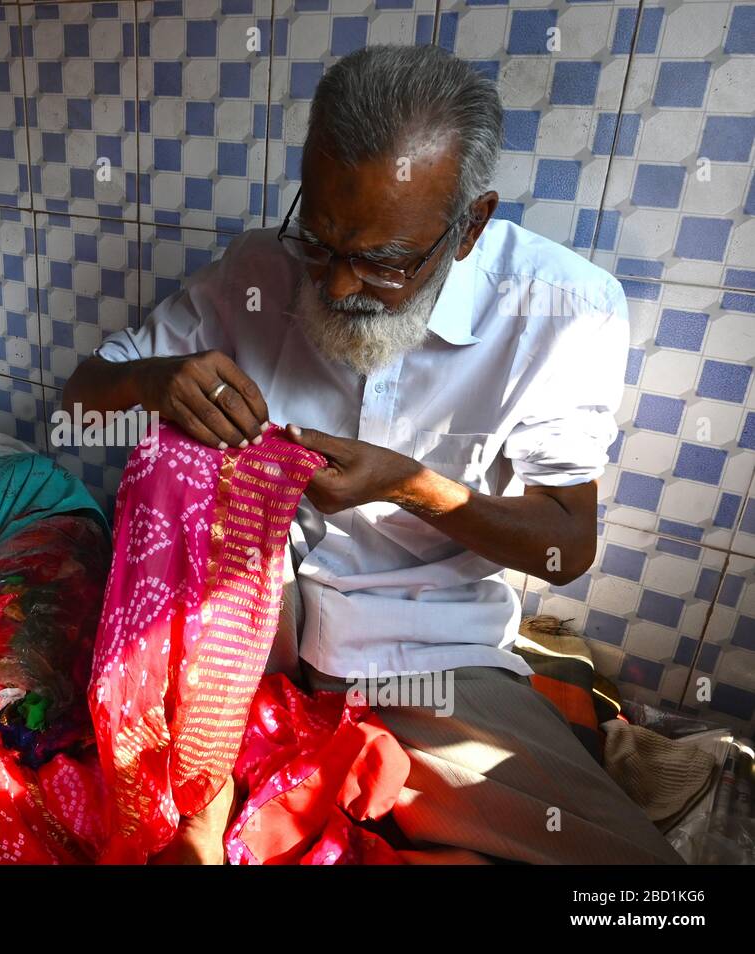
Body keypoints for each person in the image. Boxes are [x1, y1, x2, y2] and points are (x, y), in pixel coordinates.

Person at [64, 44, 682, 865]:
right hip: (238, 645)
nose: (340, 284)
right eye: (320, 241)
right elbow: (77, 407)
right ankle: (209, 809)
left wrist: (410, 487)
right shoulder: (259, 272)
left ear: (470, 228)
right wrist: (153, 380)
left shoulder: (562, 312)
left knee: (626, 876)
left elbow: (567, 547)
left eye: (384, 261)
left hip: (421, 653)